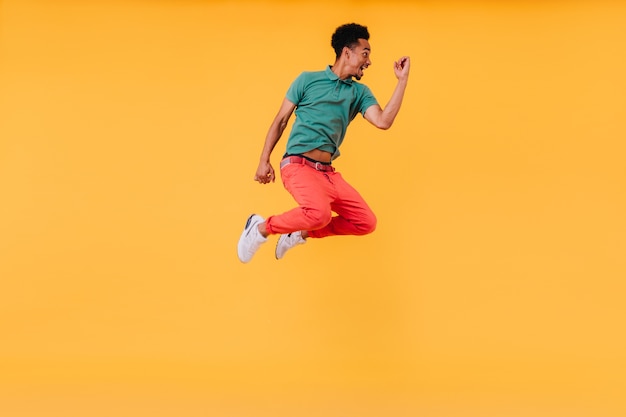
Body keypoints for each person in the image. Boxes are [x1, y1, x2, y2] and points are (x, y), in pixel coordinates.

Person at [237, 23, 410, 263]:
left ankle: (300, 232)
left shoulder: (359, 93)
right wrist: (263, 160)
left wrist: (402, 81)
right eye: (365, 53)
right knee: (319, 213)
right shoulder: (307, 80)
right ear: (346, 52)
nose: (369, 61)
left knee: (366, 222)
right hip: (298, 166)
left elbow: (383, 121)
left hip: (328, 174)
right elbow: (281, 120)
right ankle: (260, 228)